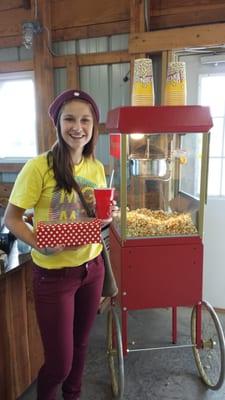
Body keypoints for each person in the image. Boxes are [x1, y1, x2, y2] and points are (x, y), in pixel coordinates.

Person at [4, 89, 107, 400]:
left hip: (92, 267)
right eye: (70, 119)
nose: (78, 127)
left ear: (93, 126)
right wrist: (39, 244)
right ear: (58, 124)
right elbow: (12, 219)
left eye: (85, 120)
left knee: (81, 346)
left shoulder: (96, 167)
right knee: (59, 363)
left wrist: (106, 218)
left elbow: (94, 215)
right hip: (54, 275)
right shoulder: (39, 167)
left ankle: (72, 396)